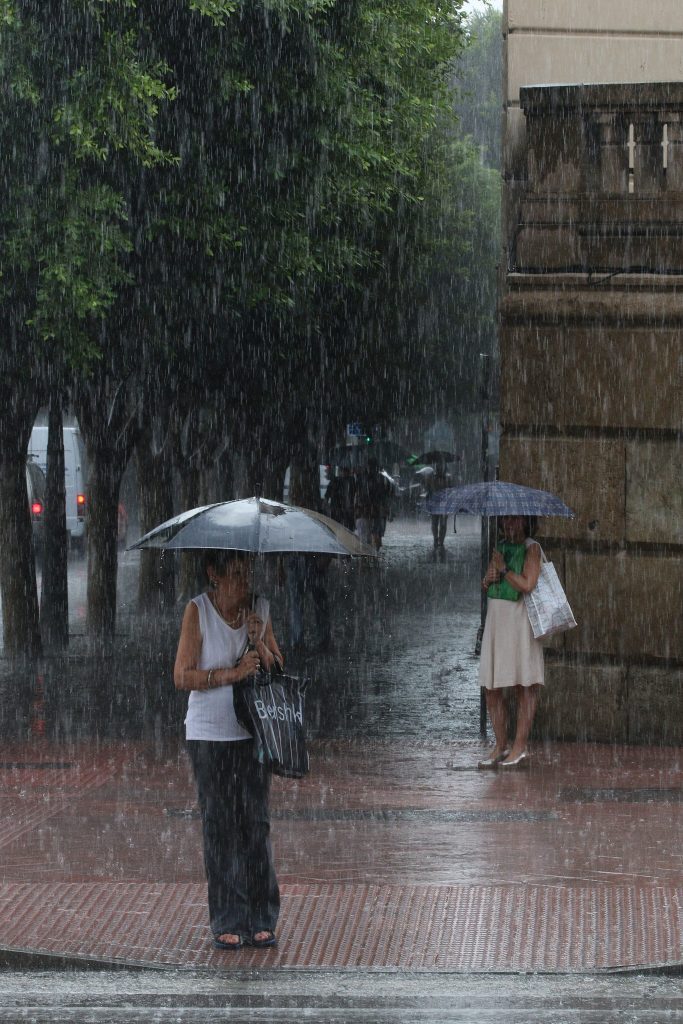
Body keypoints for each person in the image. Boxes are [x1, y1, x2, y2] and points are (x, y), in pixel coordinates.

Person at [174, 549, 283, 950]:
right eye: (236, 572)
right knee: (220, 827)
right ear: (214, 574)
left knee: (255, 823)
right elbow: (181, 675)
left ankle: (261, 915)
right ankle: (227, 917)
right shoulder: (198, 611)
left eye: (247, 571)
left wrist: (260, 643)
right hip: (209, 736)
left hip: (253, 733)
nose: (244, 580)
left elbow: (278, 668)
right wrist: (232, 674)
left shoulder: (260, 609)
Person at [477, 515, 543, 769]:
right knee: (491, 686)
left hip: (519, 623)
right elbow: (487, 585)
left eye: (515, 520)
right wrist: (488, 578)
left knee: (523, 684)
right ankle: (500, 744)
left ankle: (520, 746)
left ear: (526, 522)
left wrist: (504, 570)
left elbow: (528, 584)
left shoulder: (532, 548)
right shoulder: (500, 547)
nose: (509, 524)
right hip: (497, 623)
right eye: (506, 519)